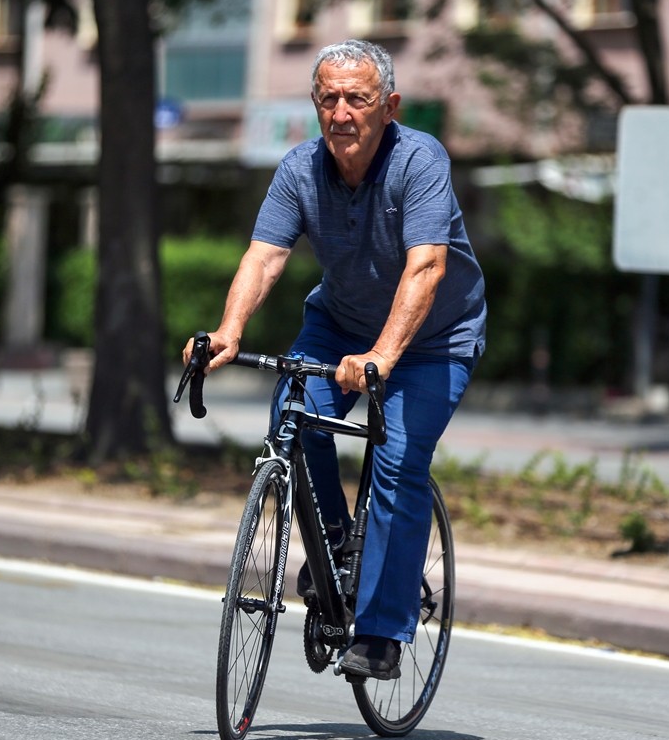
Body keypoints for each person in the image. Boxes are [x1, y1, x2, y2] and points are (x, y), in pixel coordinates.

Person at [183, 39, 486, 681]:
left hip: (435, 341)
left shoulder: (419, 160)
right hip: (340, 323)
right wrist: (229, 331)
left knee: (399, 462)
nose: (341, 112)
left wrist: (382, 354)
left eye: (358, 98)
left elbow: (427, 265)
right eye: (328, 98)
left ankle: (381, 633)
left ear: (390, 106)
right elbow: (266, 254)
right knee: (292, 419)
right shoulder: (300, 168)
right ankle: (339, 546)